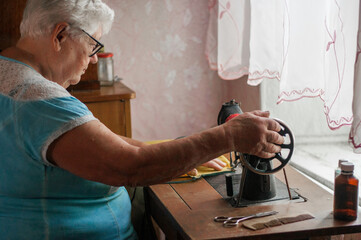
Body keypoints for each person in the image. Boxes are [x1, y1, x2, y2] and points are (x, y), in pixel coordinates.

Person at [0, 0, 284, 239]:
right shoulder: (39, 99)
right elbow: (129, 167)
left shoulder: (9, 74)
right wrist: (229, 137)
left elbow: (91, 142)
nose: (94, 58)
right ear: (60, 35)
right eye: (92, 44)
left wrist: (182, 150)